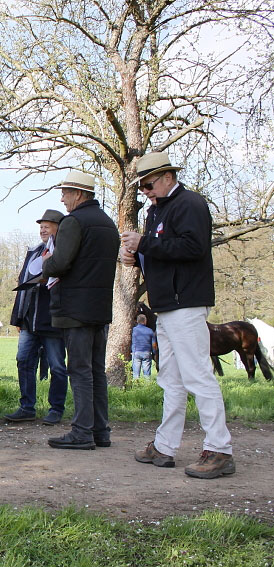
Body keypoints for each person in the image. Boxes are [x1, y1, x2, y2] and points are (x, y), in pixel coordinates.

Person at [121, 151, 235, 479]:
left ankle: (220, 449)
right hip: (167, 305)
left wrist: (145, 244)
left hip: (186, 303)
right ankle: (165, 445)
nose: (145, 191)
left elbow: (193, 248)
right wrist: (138, 258)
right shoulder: (157, 211)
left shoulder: (190, 205)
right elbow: (163, 253)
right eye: (141, 187)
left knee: (198, 375)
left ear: (168, 177)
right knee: (170, 379)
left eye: (149, 184)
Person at [41, 171, 119, 450]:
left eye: (65, 192)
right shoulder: (108, 223)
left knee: (79, 370)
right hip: (100, 308)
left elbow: (60, 263)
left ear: (79, 194)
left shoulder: (74, 222)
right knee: (96, 370)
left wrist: (46, 264)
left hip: (74, 308)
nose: (62, 198)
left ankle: (82, 431)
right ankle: (100, 430)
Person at [5, 209, 69, 425]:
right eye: (41, 225)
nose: (43, 229)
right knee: (24, 362)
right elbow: (23, 283)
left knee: (57, 367)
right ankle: (26, 407)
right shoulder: (33, 251)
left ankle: (56, 409)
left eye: (48, 225)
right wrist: (17, 318)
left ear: (59, 228)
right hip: (29, 320)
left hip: (53, 320)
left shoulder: (66, 250)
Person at [131, 314, 157, 379]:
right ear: (145, 321)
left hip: (136, 353)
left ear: (137, 321)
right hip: (147, 353)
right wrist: (154, 353)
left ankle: (136, 387)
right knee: (147, 375)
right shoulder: (150, 331)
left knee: (136, 375)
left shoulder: (133, 330)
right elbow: (154, 344)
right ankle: (147, 386)